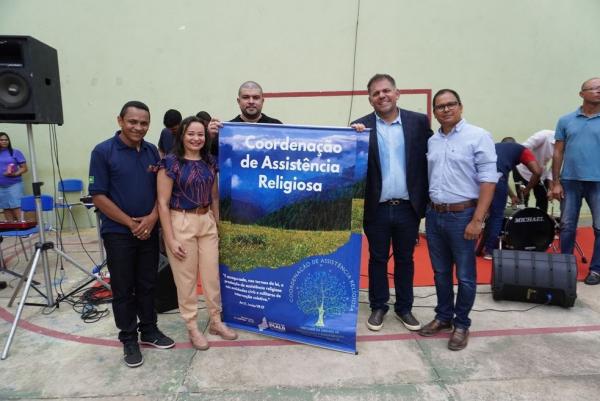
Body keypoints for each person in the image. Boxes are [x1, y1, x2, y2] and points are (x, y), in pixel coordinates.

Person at [89, 101, 175, 368]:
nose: (138, 127)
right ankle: (128, 338)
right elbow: (98, 196)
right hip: (119, 233)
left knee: (148, 283)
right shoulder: (103, 152)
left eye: (144, 123)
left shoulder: (151, 152)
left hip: (149, 229)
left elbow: (160, 193)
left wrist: (151, 219)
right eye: (133, 122)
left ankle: (149, 330)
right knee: (124, 288)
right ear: (120, 121)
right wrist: (130, 223)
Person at [351, 73, 432, 332]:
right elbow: (351, 166)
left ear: (397, 94)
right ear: (370, 100)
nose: (382, 96)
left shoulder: (418, 123)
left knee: (406, 259)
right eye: (376, 93)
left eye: (386, 91)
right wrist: (354, 141)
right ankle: (378, 306)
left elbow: (430, 160)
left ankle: (404, 308)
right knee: (376, 259)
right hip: (376, 208)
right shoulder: (359, 127)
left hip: (409, 207)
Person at [419, 89, 498, 351]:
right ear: (435, 111)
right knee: (441, 272)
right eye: (440, 106)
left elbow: (488, 180)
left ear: (460, 107)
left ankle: (462, 323)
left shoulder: (478, 136)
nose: (446, 109)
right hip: (434, 215)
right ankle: (443, 316)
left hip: (464, 215)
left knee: (465, 276)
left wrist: (478, 220)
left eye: (451, 104)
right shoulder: (432, 141)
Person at [157, 116, 237, 350]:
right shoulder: (170, 163)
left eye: (200, 134)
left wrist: (218, 225)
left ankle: (215, 320)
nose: (196, 138)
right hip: (180, 220)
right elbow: (162, 203)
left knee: (212, 276)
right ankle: (191, 325)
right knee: (187, 279)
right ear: (182, 135)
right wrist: (170, 238)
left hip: (206, 221)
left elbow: (213, 197)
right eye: (191, 134)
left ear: (206, 136)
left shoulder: (210, 162)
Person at [551, 77, 600, 286]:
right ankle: (565, 266)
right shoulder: (566, 120)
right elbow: (558, 152)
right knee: (567, 226)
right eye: (595, 88)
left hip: (598, 182)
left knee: (599, 228)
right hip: (570, 181)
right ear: (582, 94)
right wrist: (555, 182)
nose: (599, 91)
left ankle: (596, 270)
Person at [481, 137, 542, 259]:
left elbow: (501, 177)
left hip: (479, 178)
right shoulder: (521, 150)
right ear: (515, 144)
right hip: (495, 179)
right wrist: (527, 189)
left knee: (482, 212)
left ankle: (476, 248)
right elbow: (537, 172)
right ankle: (490, 250)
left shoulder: (494, 147)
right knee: (497, 215)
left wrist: (512, 196)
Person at [206, 81, 283, 153]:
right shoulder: (226, 131)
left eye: (255, 97)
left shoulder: (277, 127)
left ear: (262, 101)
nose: (251, 101)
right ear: (238, 101)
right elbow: (210, 160)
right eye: (246, 97)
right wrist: (209, 138)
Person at [510, 130, 555, 211]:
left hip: (541, 174)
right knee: (522, 202)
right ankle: (521, 221)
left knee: (543, 201)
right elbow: (523, 148)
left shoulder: (566, 145)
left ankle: (542, 222)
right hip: (522, 171)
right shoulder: (544, 135)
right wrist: (532, 165)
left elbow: (554, 167)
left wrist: (551, 189)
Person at [0, 132, 28, 222]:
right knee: (5, 207)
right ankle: (12, 228)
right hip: (1, 186)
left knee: (16, 206)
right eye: (1, 140)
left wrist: (14, 174)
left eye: (6, 139)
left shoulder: (15, 152)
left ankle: (22, 230)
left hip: (14, 184)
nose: (4, 141)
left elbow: (24, 168)